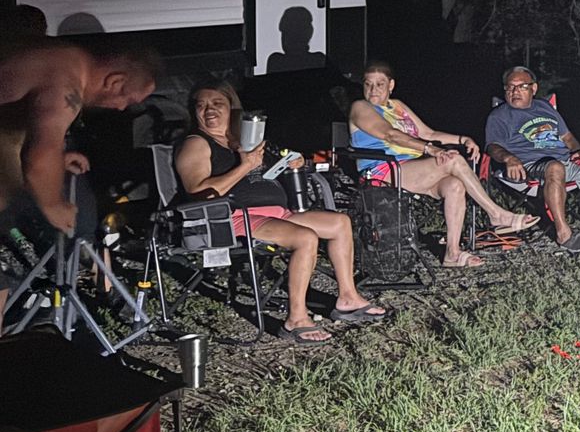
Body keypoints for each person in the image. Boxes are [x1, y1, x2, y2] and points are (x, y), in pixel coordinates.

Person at [174, 82, 388, 344]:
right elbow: (198, 191)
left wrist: (293, 162)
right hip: (232, 217)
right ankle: (295, 319)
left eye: (217, 103)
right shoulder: (196, 144)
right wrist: (245, 166)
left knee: (339, 223)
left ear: (232, 107)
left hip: (277, 213)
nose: (209, 110)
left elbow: (273, 166)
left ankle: (347, 298)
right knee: (305, 237)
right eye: (201, 105)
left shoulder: (242, 139)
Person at [347, 61, 538, 267]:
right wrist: (431, 149)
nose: (373, 89)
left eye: (380, 84)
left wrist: (462, 139)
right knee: (452, 159)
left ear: (391, 85)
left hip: (413, 168)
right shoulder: (361, 107)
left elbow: (427, 133)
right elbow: (390, 135)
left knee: (454, 186)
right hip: (383, 172)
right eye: (368, 84)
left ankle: (452, 253)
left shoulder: (398, 106)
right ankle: (496, 214)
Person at [0, 41, 159, 236]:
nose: (121, 108)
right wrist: (54, 205)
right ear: (115, 81)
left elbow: (37, 137)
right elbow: (39, 161)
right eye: (127, 99)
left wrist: (58, 158)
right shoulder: (67, 86)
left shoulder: (69, 57)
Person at [484, 67, 580, 253]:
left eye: (521, 86)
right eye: (510, 87)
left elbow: (567, 138)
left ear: (533, 89)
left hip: (564, 161)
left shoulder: (545, 107)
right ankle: (564, 233)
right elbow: (492, 146)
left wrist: (577, 151)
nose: (515, 91)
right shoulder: (499, 115)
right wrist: (508, 158)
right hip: (528, 166)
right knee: (555, 168)